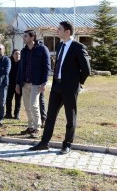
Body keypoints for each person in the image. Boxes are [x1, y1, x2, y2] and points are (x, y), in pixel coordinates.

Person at [30, 21, 91, 154]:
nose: (57, 31)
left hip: (70, 88)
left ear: (67, 32)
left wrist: (77, 83)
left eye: (59, 29)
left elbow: (86, 70)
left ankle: (67, 144)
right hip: (57, 86)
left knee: (70, 116)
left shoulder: (78, 47)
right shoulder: (60, 45)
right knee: (50, 115)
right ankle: (44, 142)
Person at [16, 30, 51, 138]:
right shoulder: (24, 50)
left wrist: (44, 82)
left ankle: (38, 128)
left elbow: (47, 67)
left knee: (34, 105)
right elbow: (21, 68)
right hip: (25, 83)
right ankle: (30, 126)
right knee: (27, 106)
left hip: (36, 83)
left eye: (25, 36)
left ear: (32, 37)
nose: (24, 38)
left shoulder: (42, 49)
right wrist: (18, 83)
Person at [4, 49, 22, 119]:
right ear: (12, 55)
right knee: (8, 99)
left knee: (18, 99)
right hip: (10, 83)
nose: (18, 55)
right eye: (16, 54)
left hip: (19, 84)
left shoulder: (22, 63)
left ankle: (16, 114)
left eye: (19, 54)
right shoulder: (9, 61)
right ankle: (8, 113)